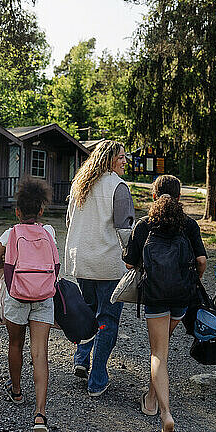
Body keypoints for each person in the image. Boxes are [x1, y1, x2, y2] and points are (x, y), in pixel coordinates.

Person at [122, 175, 207, 432]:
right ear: (179, 198)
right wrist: (194, 280)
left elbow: (129, 264)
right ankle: (150, 398)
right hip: (181, 297)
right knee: (164, 349)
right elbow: (202, 260)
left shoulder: (144, 225)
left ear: (154, 195)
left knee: (158, 353)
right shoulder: (189, 224)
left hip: (156, 296)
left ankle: (166, 414)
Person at [65, 139, 135, 397]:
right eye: (120, 158)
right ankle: (97, 379)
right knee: (107, 321)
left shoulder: (79, 185)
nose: (125, 161)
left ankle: (81, 358)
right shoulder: (118, 187)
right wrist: (133, 257)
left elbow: (70, 221)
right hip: (108, 265)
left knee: (87, 313)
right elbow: (125, 230)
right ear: (108, 160)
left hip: (82, 262)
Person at [0, 175, 56, 432]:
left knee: (15, 343)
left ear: (17, 211)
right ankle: (40, 413)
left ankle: (16, 391)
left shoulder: (10, 233)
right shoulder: (48, 231)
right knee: (40, 353)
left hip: (16, 295)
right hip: (43, 296)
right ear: (41, 210)